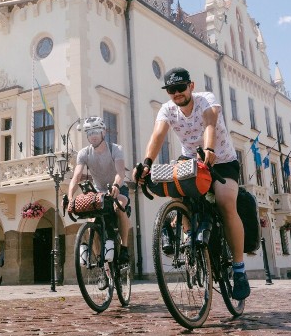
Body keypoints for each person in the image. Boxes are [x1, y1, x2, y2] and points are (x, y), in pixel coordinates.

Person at [134, 67, 250, 300]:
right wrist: (146, 163)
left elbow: (209, 123)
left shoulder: (205, 99)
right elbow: (158, 135)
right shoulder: (168, 109)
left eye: (180, 88)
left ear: (191, 86)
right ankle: (189, 239)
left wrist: (209, 149)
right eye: (171, 90)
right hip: (190, 160)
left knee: (226, 202)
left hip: (222, 160)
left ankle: (239, 270)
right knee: (176, 187)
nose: (176, 93)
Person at [68, 116, 131, 265]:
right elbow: (76, 177)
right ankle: (100, 263)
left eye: (96, 131)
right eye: (89, 133)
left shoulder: (115, 149)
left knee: (119, 207)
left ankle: (124, 248)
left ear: (103, 132)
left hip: (118, 188)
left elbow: (120, 172)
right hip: (99, 191)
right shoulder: (84, 153)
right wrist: (70, 197)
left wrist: (116, 185)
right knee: (91, 220)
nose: (93, 136)